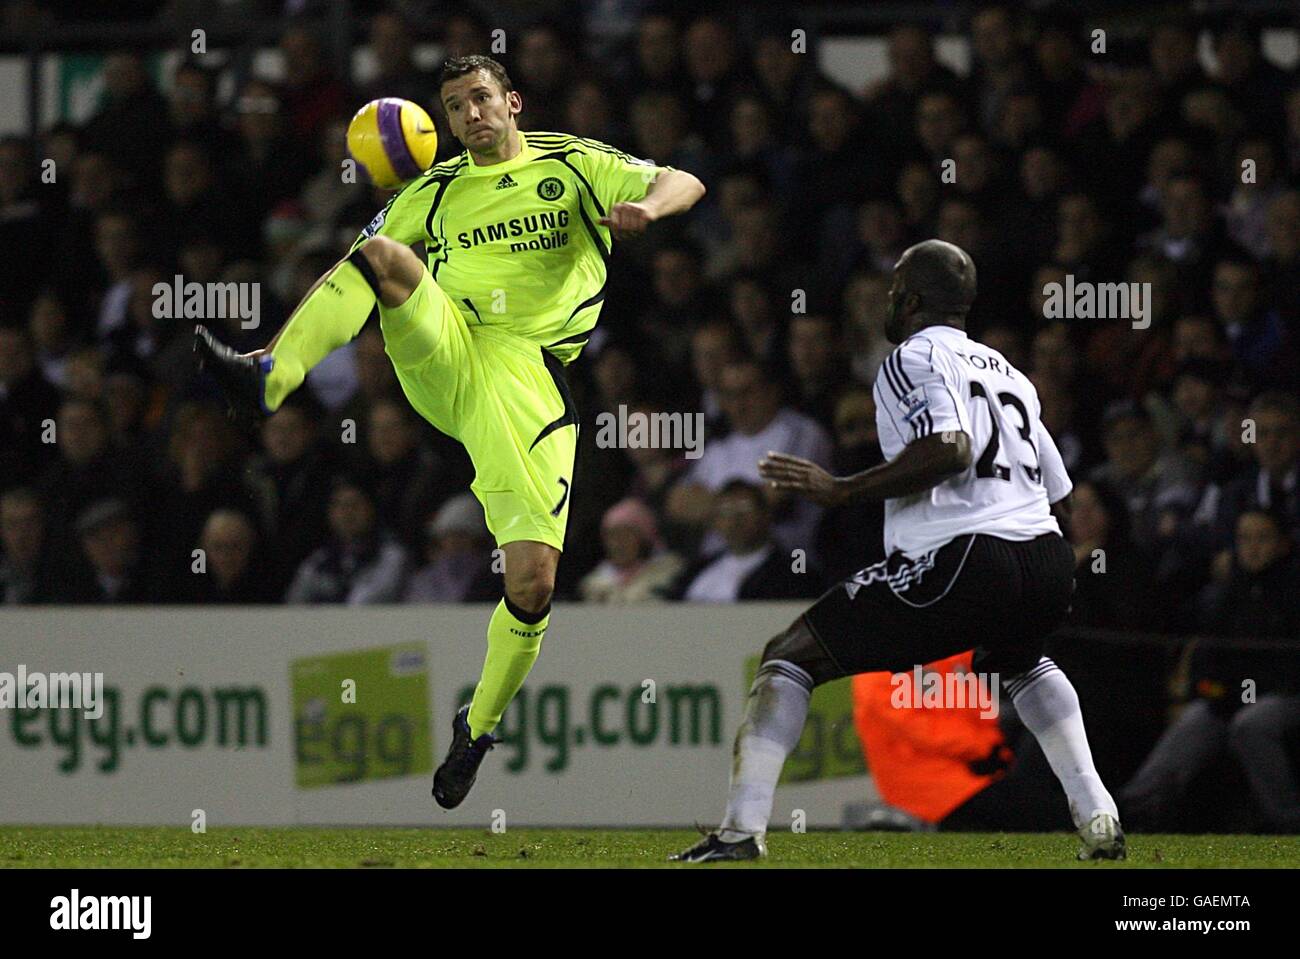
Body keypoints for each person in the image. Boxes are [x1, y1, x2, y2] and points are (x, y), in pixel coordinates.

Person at [195, 55, 705, 809]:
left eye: (479, 99)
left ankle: (479, 725)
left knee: (531, 583)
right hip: (452, 345)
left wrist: (649, 210)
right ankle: (272, 373)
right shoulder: (432, 190)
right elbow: (357, 260)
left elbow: (684, 180)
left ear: (513, 102)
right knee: (381, 257)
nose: (468, 114)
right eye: (454, 105)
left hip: (529, 380)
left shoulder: (574, 162)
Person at [673, 240, 1124, 862]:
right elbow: (1061, 495)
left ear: (910, 300)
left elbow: (950, 449)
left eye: (892, 290)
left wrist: (842, 489)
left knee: (789, 657)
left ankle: (740, 832)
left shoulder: (910, 358)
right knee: (1022, 663)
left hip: (963, 555)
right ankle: (1100, 816)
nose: (886, 300)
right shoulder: (1007, 372)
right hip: (1044, 557)